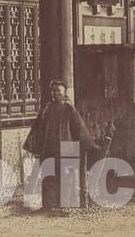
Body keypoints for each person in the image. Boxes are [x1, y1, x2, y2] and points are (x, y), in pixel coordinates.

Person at [23, 80, 101, 212]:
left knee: (67, 177)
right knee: (48, 177)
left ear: (64, 92)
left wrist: (88, 144)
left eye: (58, 90)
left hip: (67, 147)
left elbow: (79, 128)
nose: (55, 93)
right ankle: (49, 205)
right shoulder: (46, 108)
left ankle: (66, 204)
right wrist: (34, 145)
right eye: (53, 91)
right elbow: (38, 128)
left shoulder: (69, 109)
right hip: (49, 148)